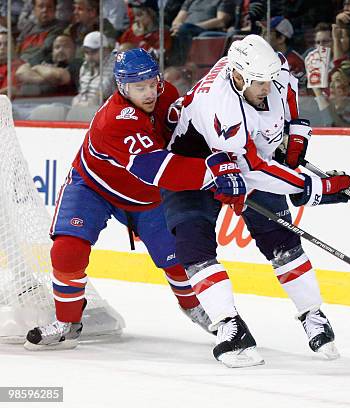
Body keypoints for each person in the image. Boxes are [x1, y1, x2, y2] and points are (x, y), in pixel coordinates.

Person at [163, 34, 350, 368]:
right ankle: (230, 326)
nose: (267, 87)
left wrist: (296, 132)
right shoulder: (221, 106)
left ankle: (313, 314)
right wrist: (311, 187)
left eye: (268, 80)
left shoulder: (267, 69)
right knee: (193, 247)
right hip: (193, 166)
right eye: (259, 83)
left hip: (246, 159)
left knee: (282, 241)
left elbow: (288, 85)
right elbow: (252, 169)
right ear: (238, 77)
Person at [24, 48, 217, 351]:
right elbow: (162, 169)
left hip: (147, 196)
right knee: (67, 250)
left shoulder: (168, 96)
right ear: (122, 87)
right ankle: (67, 321)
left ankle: (195, 307)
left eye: (153, 83)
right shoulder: (114, 121)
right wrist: (215, 173)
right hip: (94, 187)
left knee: (177, 260)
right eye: (139, 88)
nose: (150, 92)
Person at [72, 31, 116, 107]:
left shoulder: (117, 65)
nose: (89, 56)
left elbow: (108, 92)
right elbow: (82, 91)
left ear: (105, 50)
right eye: (86, 52)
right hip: (84, 107)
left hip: (107, 109)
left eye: (93, 51)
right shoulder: (84, 66)